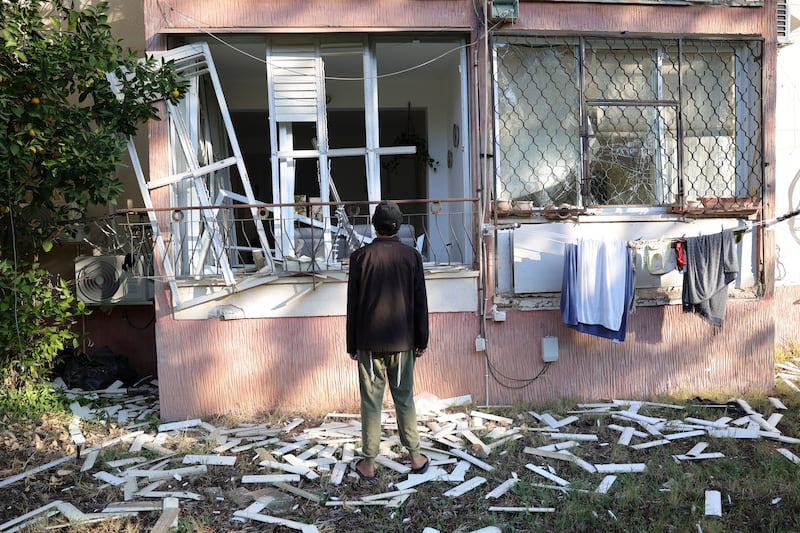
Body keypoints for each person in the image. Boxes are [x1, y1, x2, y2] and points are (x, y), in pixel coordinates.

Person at [346, 200, 430, 481]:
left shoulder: (360, 257)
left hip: (368, 342)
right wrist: (422, 339)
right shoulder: (412, 256)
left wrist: (351, 344)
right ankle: (416, 457)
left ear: (374, 225)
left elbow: (353, 306)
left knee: (371, 402)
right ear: (399, 226)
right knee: (404, 399)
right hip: (404, 342)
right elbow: (420, 302)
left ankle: (368, 464)